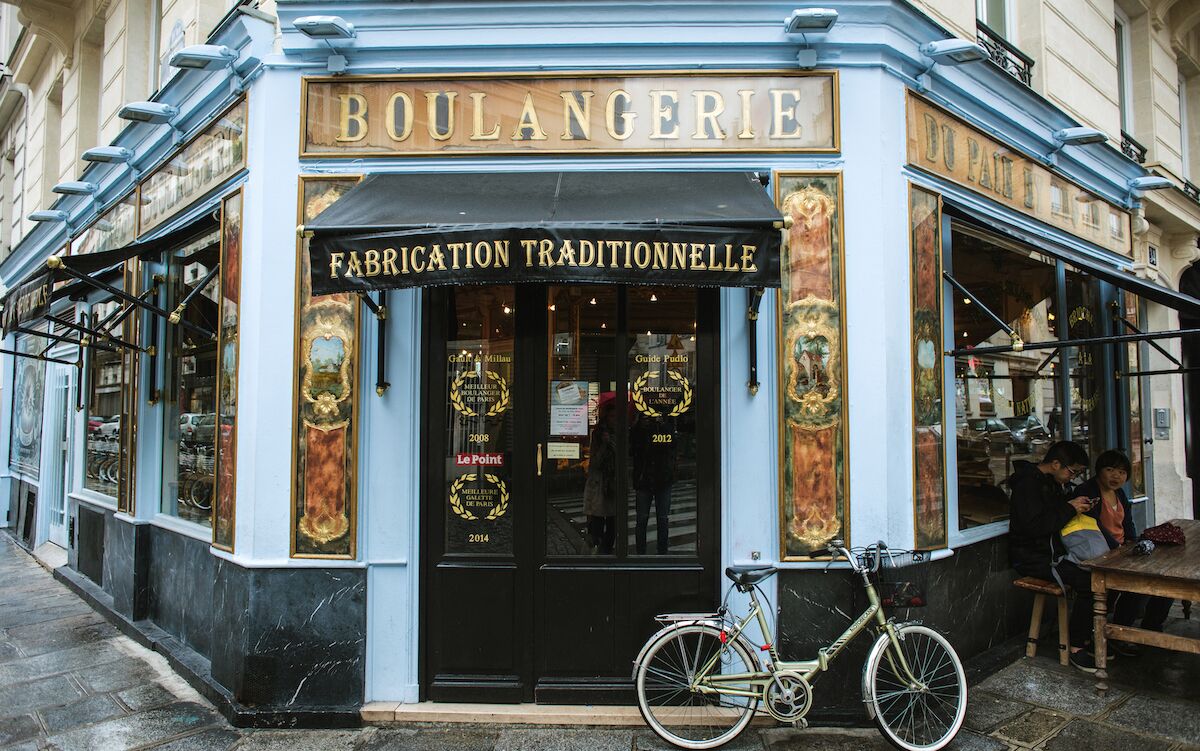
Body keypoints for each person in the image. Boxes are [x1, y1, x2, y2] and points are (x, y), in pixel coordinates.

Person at [1008, 440, 1098, 672]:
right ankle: (1077, 647)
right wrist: (1069, 508)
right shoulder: (1028, 485)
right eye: (1073, 471)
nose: (1073, 477)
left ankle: (1088, 637)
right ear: (1056, 464)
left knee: (1098, 573)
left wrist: (1073, 505)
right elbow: (1035, 527)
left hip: (1054, 552)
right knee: (1089, 583)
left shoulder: (1051, 483)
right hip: (1032, 557)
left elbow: (1053, 516)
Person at [1074, 449, 1174, 655]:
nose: (1115, 476)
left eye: (1121, 472)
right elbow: (1091, 525)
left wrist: (1132, 543)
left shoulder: (1119, 493)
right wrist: (1117, 549)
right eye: (1110, 470)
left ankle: (1131, 629)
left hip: (1119, 550)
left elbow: (1127, 523)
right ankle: (1115, 634)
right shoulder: (1088, 491)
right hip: (1097, 552)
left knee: (1154, 578)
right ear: (1099, 470)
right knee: (1131, 582)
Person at [631, 413, 677, 555]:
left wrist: (662, 426)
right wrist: (639, 426)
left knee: (662, 519)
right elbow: (632, 448)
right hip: (645, 478)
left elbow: (672, 444)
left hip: (662, 478)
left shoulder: (664, 428)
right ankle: (641, 552)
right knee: (642, 519)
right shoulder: (639, 431)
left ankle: (662, 552)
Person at [583, 394, 618, 554]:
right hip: (599, 484)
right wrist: (605, 445)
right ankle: (597, 553)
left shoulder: (619, 434)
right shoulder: (598, 434)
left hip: (613, 484)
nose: (614, 419)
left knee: (612, 524)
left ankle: (606, 552)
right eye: (611, 416)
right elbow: (595, 463)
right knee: (597, 523)